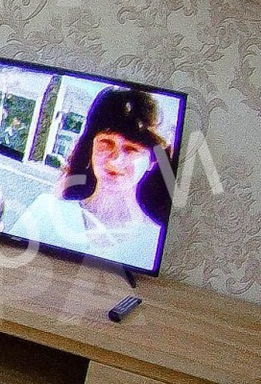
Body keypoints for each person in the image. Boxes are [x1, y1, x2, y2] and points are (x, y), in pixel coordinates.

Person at [10, 87, 170, 270]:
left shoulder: (154, 243)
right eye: (106, 143)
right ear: (91, 147)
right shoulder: (46, 211)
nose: (116, 159)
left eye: (131, 149)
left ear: (153, 161)